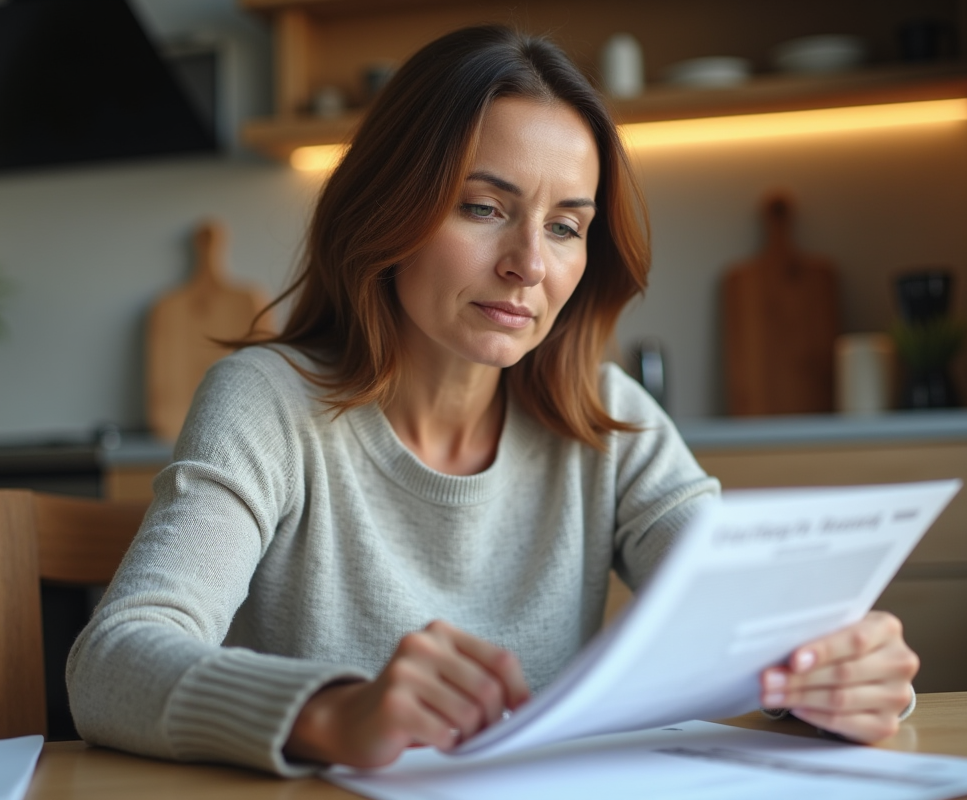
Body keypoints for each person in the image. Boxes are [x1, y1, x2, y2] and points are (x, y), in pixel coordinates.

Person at [67, 25, 919, 776]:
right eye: (483, 207)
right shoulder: (268, 402)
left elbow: (743, 617)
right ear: (385, 211)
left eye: (565, 226)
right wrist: (334, 712)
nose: (529, 265)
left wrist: (831, 671)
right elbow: (112, 663)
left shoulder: (607, 418)